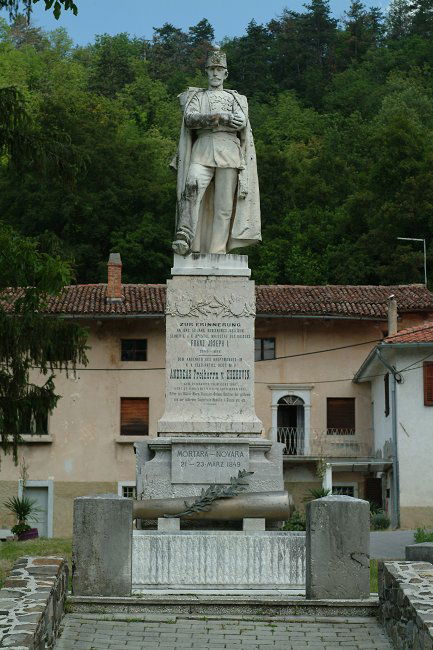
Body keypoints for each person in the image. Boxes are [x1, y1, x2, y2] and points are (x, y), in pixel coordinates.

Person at [171, 49, 261, 256]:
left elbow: (242, 123)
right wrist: (220, 118)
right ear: (206, 72)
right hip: (202, 150)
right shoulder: (196, 96)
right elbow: (190, 119)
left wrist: (236, 120)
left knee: (224, 206)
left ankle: (218, 250)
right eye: (211, 69)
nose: (215, 73)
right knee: (191, 188)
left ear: (225, 74)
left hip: (229, 152)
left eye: (219, 69)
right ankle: (184, 235)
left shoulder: (238, 99)